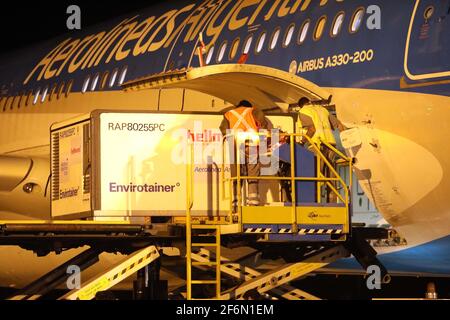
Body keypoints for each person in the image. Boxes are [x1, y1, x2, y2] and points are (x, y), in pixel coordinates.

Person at [291, 97, 346, 202]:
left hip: (317, 144)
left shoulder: (304, 111)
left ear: (300, 106)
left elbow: (312, 129)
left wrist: (302, 142)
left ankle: (314, 200)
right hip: (330, 144)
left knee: (315, 174)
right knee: (331, 174)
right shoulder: (322, 109)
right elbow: (339, 125)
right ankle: (332, 200)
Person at [220, 100, 268, 207]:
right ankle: (253, 202)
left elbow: (223, 129)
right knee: (252, 174)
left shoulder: (229, 114)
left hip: (235, 146)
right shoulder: (253, 110)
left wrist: (230, 139)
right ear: (248, 106)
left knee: (236, 175)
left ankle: (236, 203)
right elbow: (263, 123)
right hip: (251, 145)